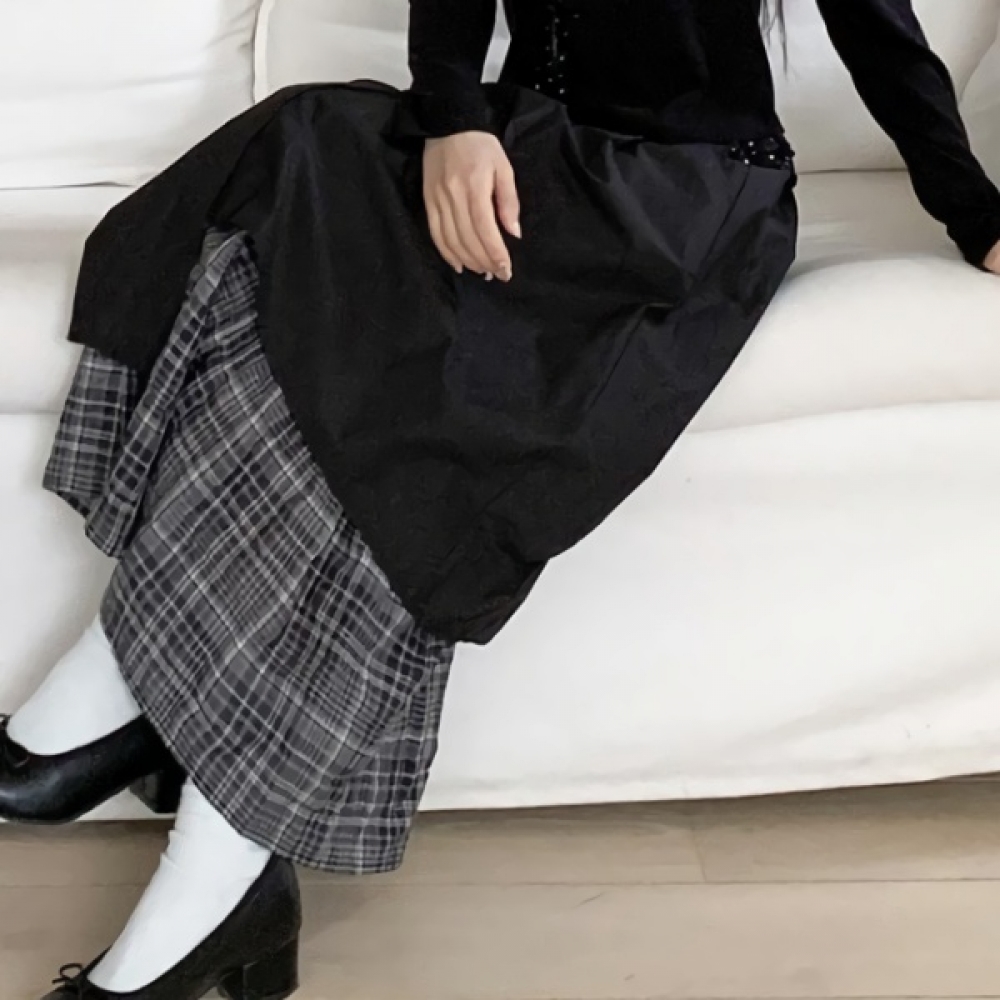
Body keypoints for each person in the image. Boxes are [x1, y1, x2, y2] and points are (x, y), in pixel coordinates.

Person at [3, 1, 999, 997]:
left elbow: (881, 34)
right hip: (522, 149)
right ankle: (152, 740)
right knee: (295, 153)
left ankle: (155, 759)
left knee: (415, 413)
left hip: (679, 199)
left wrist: (978, 214)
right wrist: (456, 121)